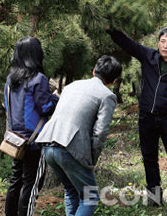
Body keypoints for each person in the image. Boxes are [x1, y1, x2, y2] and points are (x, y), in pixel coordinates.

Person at [106, 26, 167, 209]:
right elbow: (129, 45)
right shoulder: (149, 56)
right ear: (158, 43)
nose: (165, 46)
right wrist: (112, 29)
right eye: (162, 41)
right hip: (146, 117)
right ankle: (154, 197)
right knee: (149, 157)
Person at [36, 55, 122, 216]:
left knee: (72, 191)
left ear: (94, 70)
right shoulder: (107, 96)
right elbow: (100, 132)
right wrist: (91, 161)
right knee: (90, 198)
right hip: (70, 148)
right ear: (113, 81)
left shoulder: (72, 86)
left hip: (48, 144)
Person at [4, 36, 59, 216]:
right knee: (31, 183)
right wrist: (56, 98)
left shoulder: (10, 80)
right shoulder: (38, 79)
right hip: (34, 141)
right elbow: (45, 107)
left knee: (16, 180)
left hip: (15, 139)